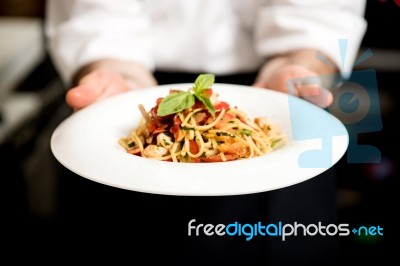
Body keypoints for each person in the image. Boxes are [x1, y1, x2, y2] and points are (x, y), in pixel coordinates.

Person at [45, 0, 367, 265]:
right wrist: (113, 71)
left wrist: (303, 62)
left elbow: (321, 15)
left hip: (278, 100)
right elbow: (97, 18)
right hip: (129, 91)